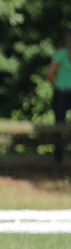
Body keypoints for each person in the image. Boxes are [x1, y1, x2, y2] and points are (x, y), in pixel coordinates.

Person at [47, 29, 71, 163]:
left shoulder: (61, 53)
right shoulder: (61, 54)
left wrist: (56, 85)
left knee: (59, 124)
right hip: (63, 91)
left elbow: (50, 74)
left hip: (61, 92)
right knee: (59, 125)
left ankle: (58, 158)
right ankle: (58, 159)